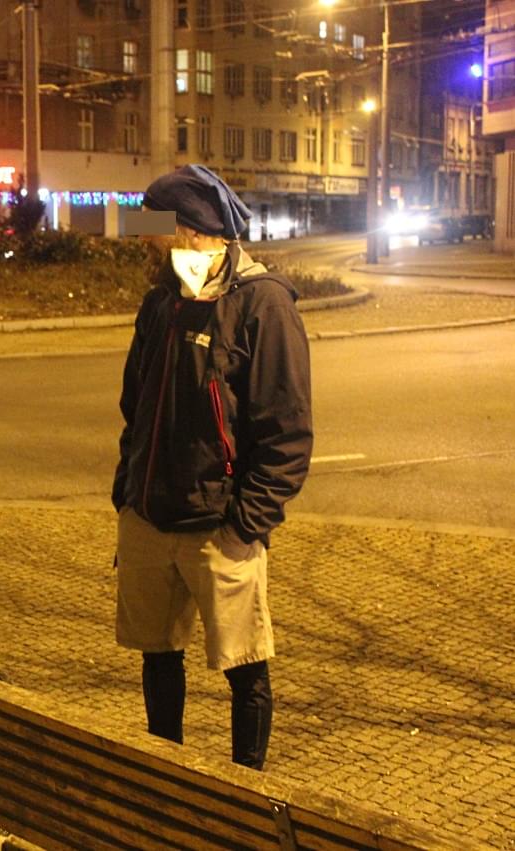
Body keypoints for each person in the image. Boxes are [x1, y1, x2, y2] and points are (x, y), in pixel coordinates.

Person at [111, 165, 313, 771]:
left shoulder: (264, 305)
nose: (144, 242)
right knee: (158, 656)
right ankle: (167, 778)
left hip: (219, 529)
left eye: (153, 227)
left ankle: (246, 793)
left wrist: (245, 524)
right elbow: (135, 406)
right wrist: (127, 494)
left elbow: (287, 434)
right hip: (149, 518)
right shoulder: (160, 301)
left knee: (244, 670)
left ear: (194, 231)